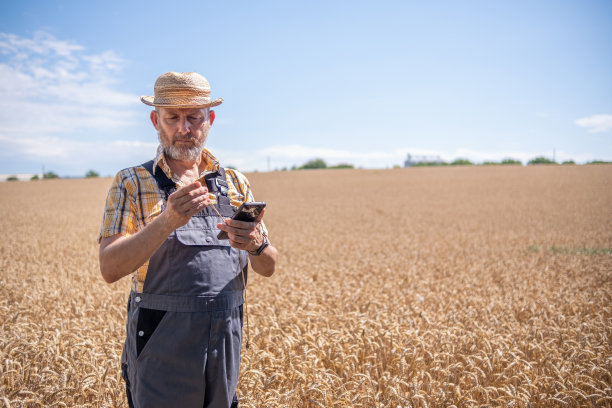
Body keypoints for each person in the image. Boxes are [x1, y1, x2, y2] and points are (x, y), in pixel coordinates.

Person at [98, 71, 277, 408]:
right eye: (172, 118)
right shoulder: (133, 182)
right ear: (155, 120)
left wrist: (256, 244)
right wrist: (167, 220)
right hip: (162, 341)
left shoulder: (234, 183)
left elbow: (268, 266)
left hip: (226, 337)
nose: (184, 128)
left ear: (208, 120)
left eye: (193, 117)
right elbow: (109, 267)